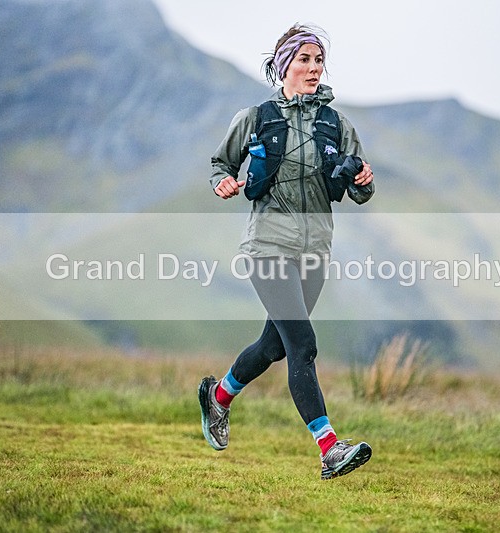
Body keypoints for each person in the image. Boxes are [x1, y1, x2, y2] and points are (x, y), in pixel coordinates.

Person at [198, 23, 375, 480]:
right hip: (267, 245)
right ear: (284, 66)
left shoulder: (337, 125)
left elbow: (360, 191)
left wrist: (363, 180)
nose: (314, 69)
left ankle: (218, 396)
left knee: (274, 345)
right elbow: (220, 163)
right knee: (303, 344)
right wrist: (222, 181)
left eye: (319, 61)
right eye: (305, 60)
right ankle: (329, 448)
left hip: (315, 249)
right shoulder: (255, 118)